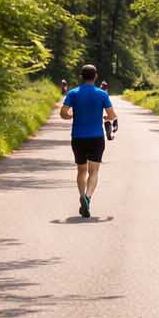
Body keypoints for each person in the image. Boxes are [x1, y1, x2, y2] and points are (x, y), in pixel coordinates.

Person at [60, 64, 117, 218]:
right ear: (96, 76)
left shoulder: (73, 93)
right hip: (96, 137)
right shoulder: (102, 94)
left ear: (81, 76)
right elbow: (112, 115)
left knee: (81, 170)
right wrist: (106, 118)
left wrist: (70, 116)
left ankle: (81, 196)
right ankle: (88, 197)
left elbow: (63, 113)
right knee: (94, 171)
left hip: (78, 137)